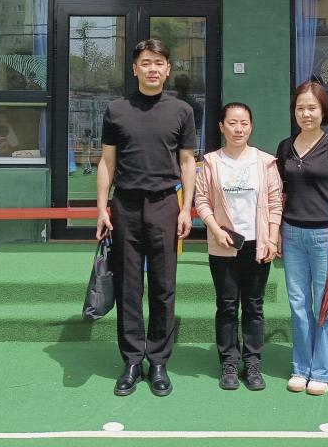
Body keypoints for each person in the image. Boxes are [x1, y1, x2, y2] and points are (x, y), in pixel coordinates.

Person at [95, 39, 197, 398]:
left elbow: (188, 162)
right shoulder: (116, 109)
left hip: (166, 204)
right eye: (146, 62)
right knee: (128, 286)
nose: (152, 68)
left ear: (168, 69)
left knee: (164, 287)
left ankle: (158, 363)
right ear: (134, 68)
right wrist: (101, 208)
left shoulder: (182, 111)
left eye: (158, 63)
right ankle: (131, 361)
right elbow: (107, 162)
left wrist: (186, 208)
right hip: (125, 205)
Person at [194, 102, 283, 392]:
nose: (238, 129)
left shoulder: (265, 162)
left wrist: (272, 239)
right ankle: (229, 363)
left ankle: (253, 363)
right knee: (227, 305)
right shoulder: (211, 162)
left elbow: (275, 203)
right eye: (232, 123)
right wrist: (215, 229)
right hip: (224, 244)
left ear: (251, 126)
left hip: (258, 245)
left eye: (244, 123)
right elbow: (202, 200)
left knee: (254, 306)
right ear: (222, 127)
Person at [275, 80, 328, 396]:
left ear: (323, 111)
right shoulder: (285, 147)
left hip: (324, 236)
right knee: (298, 304)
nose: (306, 114)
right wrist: (277, 231)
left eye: (312, 108)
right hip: (292, 234)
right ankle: (301, 367)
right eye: (300, 108)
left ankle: (324, 370)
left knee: (325, 304)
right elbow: (280, 193)